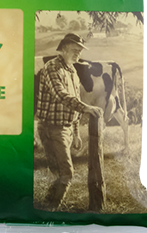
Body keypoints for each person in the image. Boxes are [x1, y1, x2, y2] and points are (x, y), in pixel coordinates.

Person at [36, 33, 103, 210]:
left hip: (65, 128)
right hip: (51, 128)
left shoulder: (72, 70)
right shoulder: (52, 68)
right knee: (66, 172)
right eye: (75, 50)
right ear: (64, 48)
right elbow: (61, 95)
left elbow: (74, 100)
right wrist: (86, 108)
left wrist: (75, 133)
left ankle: (47, 204)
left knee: (59, 172)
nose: (78, 54)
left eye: (80, 51)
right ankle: (52, 209)